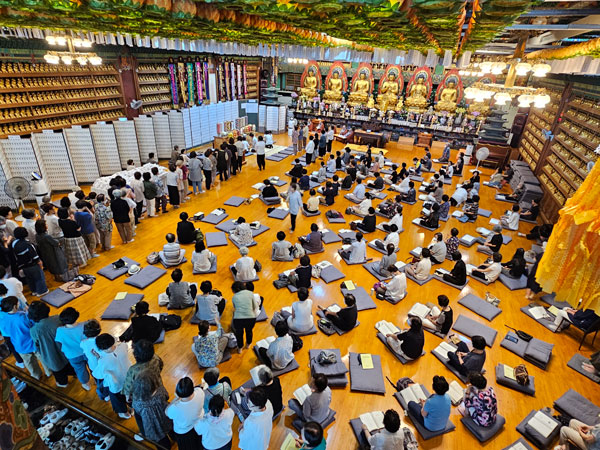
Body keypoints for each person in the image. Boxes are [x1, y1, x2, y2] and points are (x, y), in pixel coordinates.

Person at [0, 296, 42, 379]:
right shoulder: (23, 316)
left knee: (29, 363)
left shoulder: (3, 320)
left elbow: (6, 333)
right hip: (32, 342)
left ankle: (36, 376)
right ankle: (49, 372)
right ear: (14, 306)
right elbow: (33, 325)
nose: (19, 303)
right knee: (42, 357)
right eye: (18, 302)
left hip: (19, 345)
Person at [94, 333, 132, 419]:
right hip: (129, 377)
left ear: (101, 348)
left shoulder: (103, 360)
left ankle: (123, 412)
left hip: (116, 382)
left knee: (117, 398)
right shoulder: (123, 346)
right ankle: (132, 408)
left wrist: (98, 358)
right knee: (130, 394)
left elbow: (99, 375)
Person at [131, 373, 171, 448]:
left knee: (162, 444)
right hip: (165, 416)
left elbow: (138, 414)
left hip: (153, 427)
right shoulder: (160, 390)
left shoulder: (137, 401)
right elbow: (167, 396)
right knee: (171, 429)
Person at [55, 307, 90, 390]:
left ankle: (86, 384)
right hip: (87, 352)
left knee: (80, 370)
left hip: (72, 355)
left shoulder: (60, 330)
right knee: (93, 366)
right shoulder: (84, 325)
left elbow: (59, 341)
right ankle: (97, 380)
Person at [165, 377, 204, 449]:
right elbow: (198, 388)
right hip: (199, 424)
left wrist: (176, 398)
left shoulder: (175, 407)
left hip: (184, 433)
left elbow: (167, 412)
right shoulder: (200, 392)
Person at [11, 227, 48, 296]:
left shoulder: (14, 243)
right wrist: (41, 265)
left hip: (23, 266)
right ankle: (41, 292)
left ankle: (34, 291)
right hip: (32, 265)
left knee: (29, 279)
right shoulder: (28, 244)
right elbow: (35, 257)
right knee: (39, 278)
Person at [232, 281, 260, 353]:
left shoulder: (234, 297)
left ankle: (240, 348)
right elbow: (255, 306)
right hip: (251, 318)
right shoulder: (250, 293)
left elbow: (235, 308)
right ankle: (248, 344)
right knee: (249, 331)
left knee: (239, 334)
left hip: (238, 319)